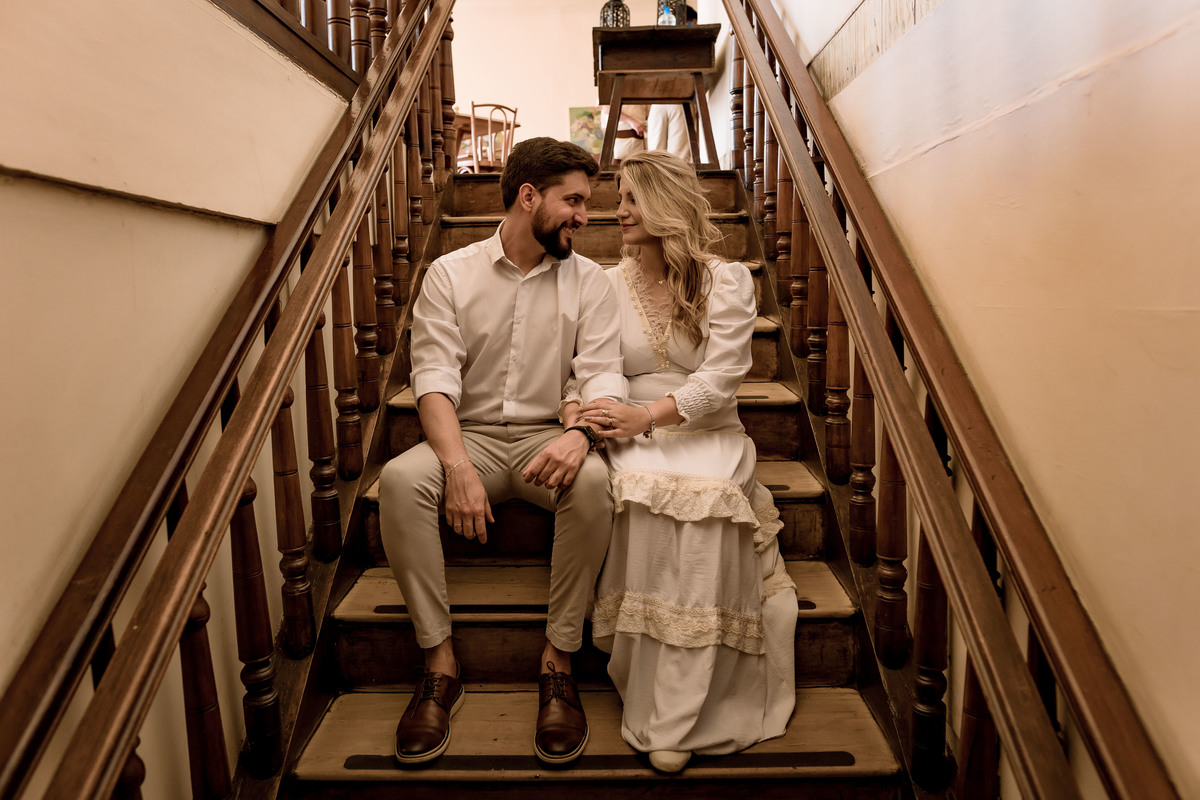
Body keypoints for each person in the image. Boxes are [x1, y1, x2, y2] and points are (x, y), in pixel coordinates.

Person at [378, 137, 624, 767]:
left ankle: (558, 662)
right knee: (404, 482)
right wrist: (457, 466)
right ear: (527, 196)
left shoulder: (591, 281)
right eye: (573, 200)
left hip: (549, 436)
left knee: (595, 484)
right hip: (473, 438)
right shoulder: (450, 274)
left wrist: (579, 437)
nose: (583, 216)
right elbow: (431, 381)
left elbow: (599, 375)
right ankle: (439, 662)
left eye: (587, 203)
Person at [570, 150, 797, 773]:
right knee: (640, 497)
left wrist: (653, 417)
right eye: (617, 198)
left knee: (707, 502)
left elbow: (723, 378)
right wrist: (606, 412)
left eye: (631, 199)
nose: (617, 212)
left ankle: (698, 705)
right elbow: (597, 366)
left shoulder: (727, 280)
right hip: (630, 425)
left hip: (706, 427)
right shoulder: (604, 283)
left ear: (667, 205)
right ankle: (655, 698)